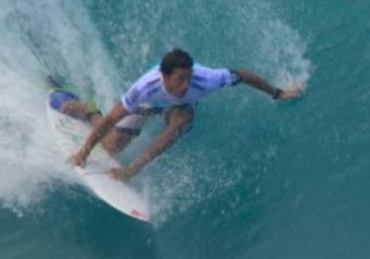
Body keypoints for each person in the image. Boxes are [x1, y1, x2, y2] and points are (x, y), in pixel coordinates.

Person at [64, 48, 302, 181]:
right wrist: (84, 152)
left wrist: (277, 93)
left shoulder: (206, 79)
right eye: (180, 79)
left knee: (181, 122)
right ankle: (89, 112)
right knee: (112, 146)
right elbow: (112, 118)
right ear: (165, 76)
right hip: (152, 102)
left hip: (180, 108)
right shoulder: (145, 87)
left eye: (189, 77)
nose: (186, 84)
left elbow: (242, 75)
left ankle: (134, 169)